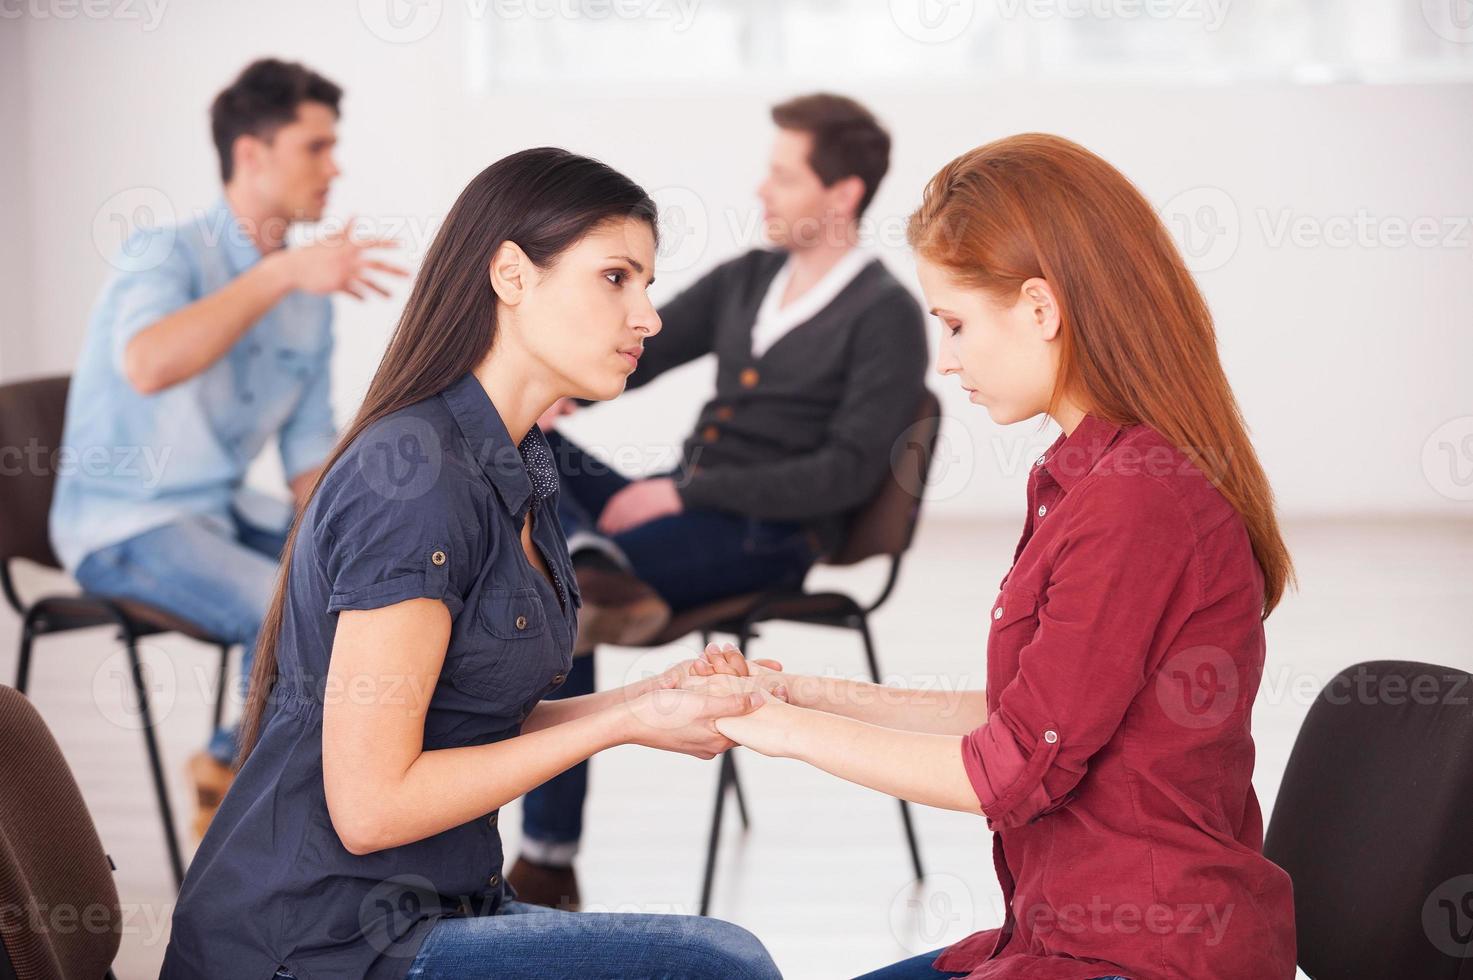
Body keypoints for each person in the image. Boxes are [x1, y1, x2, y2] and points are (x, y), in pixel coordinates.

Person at [159, 147, 784, 980]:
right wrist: (619, 724)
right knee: (714, 967)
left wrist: (649, 699)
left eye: (647, 285)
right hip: (324, 944)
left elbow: (461, 721)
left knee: (716, 958)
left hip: (438, 905)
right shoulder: (414, 484)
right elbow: (373, 807)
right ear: (512, 275)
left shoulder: (518, 461)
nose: (648, 317)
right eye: (615, 279)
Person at [693, 134, 1300, 979]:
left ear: (1041, 308)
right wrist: (796, 691)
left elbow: (1008, 773)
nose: (945, 359)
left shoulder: (1138, 499)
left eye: (955, 323)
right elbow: (1026, 715)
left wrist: (777, 729)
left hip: (1145, 958)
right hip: (1057, 939)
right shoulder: (1088, 475)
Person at [511, 92, 930, 908]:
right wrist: (563, 389)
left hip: (773, 533)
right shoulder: (752, 276)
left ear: (840, 195)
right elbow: (645, 337)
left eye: (782, 175)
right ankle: (594, 562)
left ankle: (547, 858)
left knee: (558, 590)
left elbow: (844, 475)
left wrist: (680, 491)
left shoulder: (886, 315)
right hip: (682, 512)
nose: (761, 191)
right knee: (523, 434)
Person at [49, 58, 405, 838]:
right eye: (316, 147)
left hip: (217, 507)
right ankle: (246, 809)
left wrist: (362, 535)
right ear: (251, 154)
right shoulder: (164, 254)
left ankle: (264, 774)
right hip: (123, 521)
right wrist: (279, 275)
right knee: (271, 605)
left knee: (370, 581)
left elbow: (309, 460)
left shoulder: (306, 300)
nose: (334, 166)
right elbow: (149, 364)